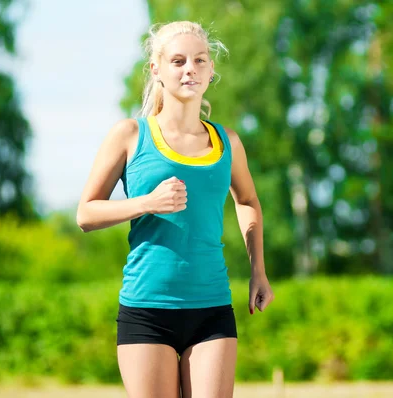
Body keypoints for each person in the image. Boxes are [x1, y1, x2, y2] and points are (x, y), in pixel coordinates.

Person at [76, 20, 274, 398]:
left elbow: (247, 200)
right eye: (179, 61)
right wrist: (147, 203)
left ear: (211, 69)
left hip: (213, 306)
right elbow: (85, 214)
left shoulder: (227, 141)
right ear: (157, 69)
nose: (190, 70)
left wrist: (258, 272)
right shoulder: (131, 135)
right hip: (146, 309)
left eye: (200, 61)